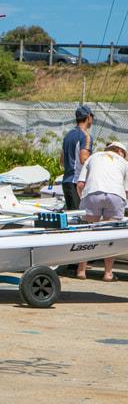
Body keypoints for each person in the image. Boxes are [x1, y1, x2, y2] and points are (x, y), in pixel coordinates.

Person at [75, 141, 128, 282]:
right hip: (116, 195)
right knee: (110, 235)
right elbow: (126, 190)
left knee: (87, 232)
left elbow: (80, 185)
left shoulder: (94, 156)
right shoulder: (124, 163)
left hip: (93, 193)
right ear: (121, 152)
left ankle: (81, 270)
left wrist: (83, 200)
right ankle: (108, 273)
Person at [61, 105, 94, 210]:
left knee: (71, 217)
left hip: (66, 181)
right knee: (79, 218)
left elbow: (62, 161)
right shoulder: (85, 136)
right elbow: (84, 160)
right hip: (76, 182)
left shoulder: (68, 135)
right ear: (88, 117)